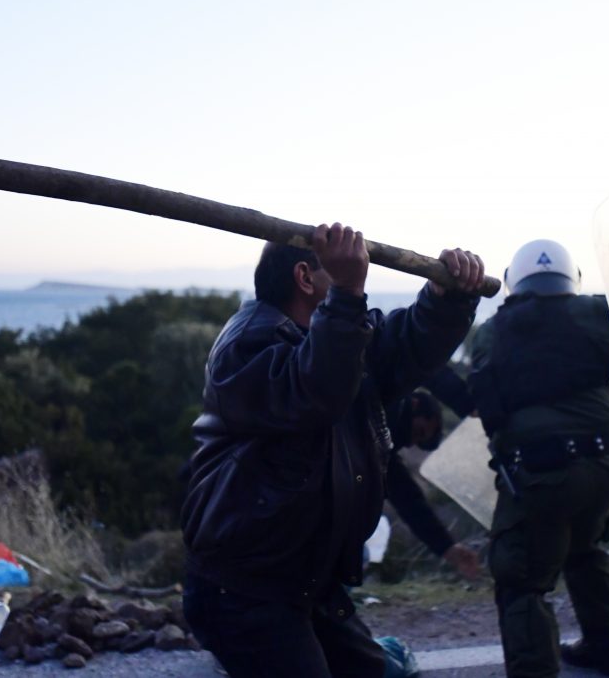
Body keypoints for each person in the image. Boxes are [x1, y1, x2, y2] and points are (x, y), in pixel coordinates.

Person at [180, 223, 485, 678]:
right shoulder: (247, 347)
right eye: (335, 270)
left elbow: (404, 344)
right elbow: (315, 391)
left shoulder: (338, 340)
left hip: (305, 581)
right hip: (245, 591)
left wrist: (448, 299)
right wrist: (347, 290)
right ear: (306, 278)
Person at [467, 240, 609, 678]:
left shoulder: (494, 331)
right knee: (584, 547)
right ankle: (603, 649)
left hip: (541, 474)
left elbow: (486, 398)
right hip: (605, 470)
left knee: (522, 583)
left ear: (513, 280)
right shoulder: (599, 313)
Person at [384, 387, 481, 579]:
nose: (409, 442)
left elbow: (408, 500)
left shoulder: (380, 454)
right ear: (413, 405)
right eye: (418, 431)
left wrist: (447, 547)